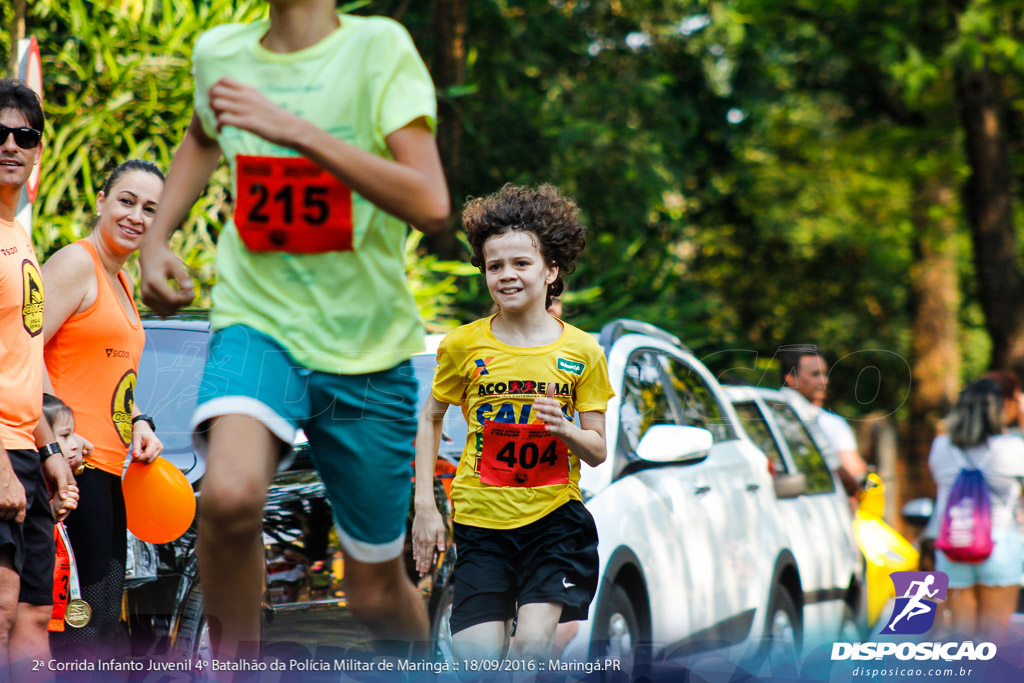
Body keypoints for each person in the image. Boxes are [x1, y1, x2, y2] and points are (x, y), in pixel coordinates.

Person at [137, 0, 449, 660]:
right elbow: (200, 136)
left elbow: (430, 201)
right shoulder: (222, 51)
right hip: (261, 320)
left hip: (364, 347)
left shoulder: (378, 49)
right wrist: (157, 238)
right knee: (226, 498)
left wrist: (298, 132)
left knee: (373, 594)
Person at [412, 184, 613, 664]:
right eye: (494, 265)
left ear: (551, 269)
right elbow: (431, 419)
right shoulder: (462, 346)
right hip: (482, 525)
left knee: (529, 652)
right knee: (475, 663)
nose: (506, 275)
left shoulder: (582, 351)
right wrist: (425, 506)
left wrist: (565, 430)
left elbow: (598, 448)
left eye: (521, 263)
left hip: (554, 523)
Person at [42, 159, 165, 659]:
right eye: (127, 201)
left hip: (112, 470)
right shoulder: (76, 263)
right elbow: (20, 353)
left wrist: (138, 421)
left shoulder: (122, 280)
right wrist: (58, 436)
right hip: (72, 467)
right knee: (83, 631)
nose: (136, 216)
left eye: (150, 209)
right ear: (101, 201)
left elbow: (110, 377)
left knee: (102, 625)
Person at [0, 79, 77, 678]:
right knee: (1, 611)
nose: (10, 145)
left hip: (26, 447)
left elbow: (25, 357)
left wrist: (48, 446)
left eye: (24, 135)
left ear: (38, 151)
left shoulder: (19, 234)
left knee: (31, 616)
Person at [928, 378, 1024, 643]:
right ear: (998, 409)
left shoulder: (941, 446)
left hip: (953, 547)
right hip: (999, 544)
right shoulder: (1013, 448)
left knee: (963, 641)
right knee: (993, 642)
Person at [778, 345, 868, 496]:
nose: (824, 381)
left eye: (825, 374)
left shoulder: (768, 411)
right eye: (815, 374)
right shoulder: (794, 416)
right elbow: (850, 470)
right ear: (791, 379)